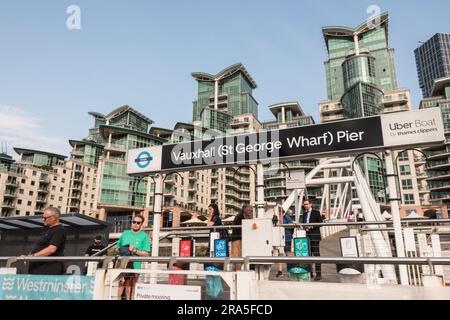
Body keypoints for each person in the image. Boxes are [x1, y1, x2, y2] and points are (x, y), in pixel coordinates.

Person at [116, 214, 151, 300]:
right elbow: (117, 247)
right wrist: (121, 250)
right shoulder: (125, 233)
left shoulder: (144, 236)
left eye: (138, 223)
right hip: (122, 263)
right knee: (120, 284)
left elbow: (146, 253)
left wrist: (134, 250)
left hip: (135, 265)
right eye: (134, 222)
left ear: (141, 224)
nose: (135, 224)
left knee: (130, 286)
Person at [27, 207, 67, 275]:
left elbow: (51, 249)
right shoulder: (50, 230)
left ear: (54, 218)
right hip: (38, 269)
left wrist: (33, 256)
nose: (43, 219)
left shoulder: (59, 230)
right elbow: (42, 247)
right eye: (43, 217)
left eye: (45, 218)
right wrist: (28, 256)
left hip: (47, 270)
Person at [302, 199, 323, 281]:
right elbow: (303, 223)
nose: (305, 206)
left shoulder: (316, 213)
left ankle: (318, 274)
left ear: (310, 204)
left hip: (314, 235)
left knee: (316, 254)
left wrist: (312, 226)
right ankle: (310, 272)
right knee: (308, 254)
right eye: (304, 204)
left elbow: (320, 223)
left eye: (306, 204)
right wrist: (304, 226)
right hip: (307, 236)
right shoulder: (304, 214)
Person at [230, 205, 254, 271]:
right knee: (238, 256)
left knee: (237, 256)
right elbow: (250, 222)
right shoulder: (241, 216)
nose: (251, 212)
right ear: (245, 210)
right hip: (237, 238)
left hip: (237, 237)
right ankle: (237, 271)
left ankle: (235, 271)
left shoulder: (239, 215)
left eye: (251, 211)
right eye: (249, 210)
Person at [276, 210, 294, 277]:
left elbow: (292, 226)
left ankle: (290, 270)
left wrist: (283, 226)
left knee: (288, 254)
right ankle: (280, 271)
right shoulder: (277, 218)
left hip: (287, 238)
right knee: (280, 254)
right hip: (279, 238)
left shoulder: (286, 217)